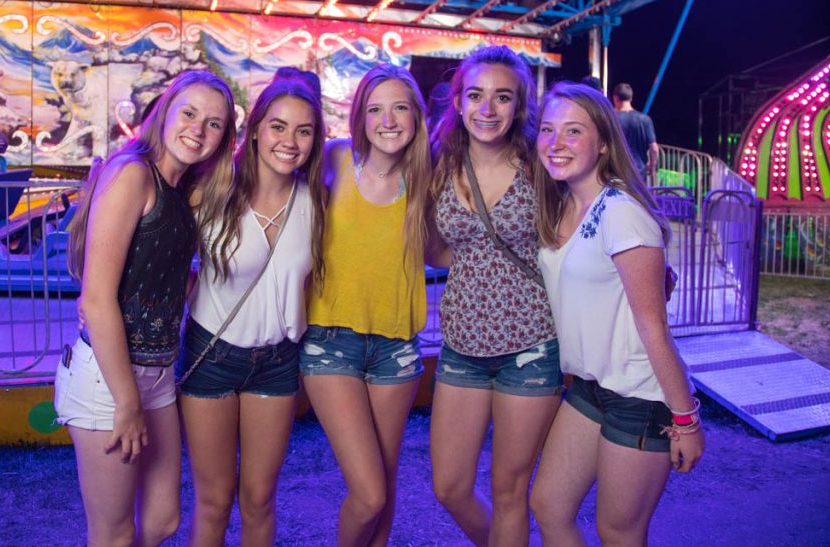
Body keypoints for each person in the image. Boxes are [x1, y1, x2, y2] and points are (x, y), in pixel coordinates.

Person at [54, 70, 236, 547]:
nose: (199, 129)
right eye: (190, 114)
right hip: (109, 378)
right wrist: (127, 401)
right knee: (113, 535)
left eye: (214, 124)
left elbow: (162, 275)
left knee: (162, 522)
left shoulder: (179, 193)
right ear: (165, 113)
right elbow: (97, 297)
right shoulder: (133, 173)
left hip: (156, 372)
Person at [531, 83, 703, 547]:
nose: (556, 143)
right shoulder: (565, 203)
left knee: (619, 531)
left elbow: (653, 327)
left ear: (604, 141)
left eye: (573, 131)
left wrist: (685, 419)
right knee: (548, 505)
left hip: (641, 394)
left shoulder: (622, 212)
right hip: (592, 385)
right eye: (548, 130)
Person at [178, 79, 326, 546]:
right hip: (212, 356)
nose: (290, 140)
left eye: (304, 131)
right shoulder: (210, 190)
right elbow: (160, 258)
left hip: (277, 363)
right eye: (278, 126)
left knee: (260, 499)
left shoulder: (316, 200)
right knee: (215, 500)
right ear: (256, 129)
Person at [427, 45, 561, 547]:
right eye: (476, 96)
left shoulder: (541, 165)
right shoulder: (441, 164)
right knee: (450, 486)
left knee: (510, 491)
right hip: (462, 345)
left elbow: (582, 225)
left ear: (520, 105)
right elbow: (437, 247)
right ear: (459, 102)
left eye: (502, 97)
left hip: (530, 345)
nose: (487, 109)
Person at [301, 63, 432, 547]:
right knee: (369, 491)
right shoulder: (336, 160)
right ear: (360, 117)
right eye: (376, 109)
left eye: (400, 108)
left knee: (385, 478)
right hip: (332, 343)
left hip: (397, 346)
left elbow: (446, 247)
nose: (389, 120)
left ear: (416, 116)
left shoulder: (427, 181)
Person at [609, 83, 658, 182]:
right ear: (631, 98)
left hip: (615, 170)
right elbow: (654, 148)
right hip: (638, 171)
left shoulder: (611, 119)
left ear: (615, 98)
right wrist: (652, 166)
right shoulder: (644, 119)